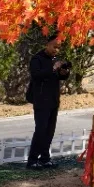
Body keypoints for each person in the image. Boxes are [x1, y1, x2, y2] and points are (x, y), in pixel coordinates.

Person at [26, 33, 71, 168]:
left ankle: (45, 158)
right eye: (54, 47)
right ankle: (32, 160)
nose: (56, 50)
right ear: (47, 44)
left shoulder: (56, 59)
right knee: (41, 130)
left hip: (53, 100)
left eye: (58, 48)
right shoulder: (37, 59)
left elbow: (58, 76)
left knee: (50, 131)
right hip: (41, 100)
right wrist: (53, 68)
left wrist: (64, 73)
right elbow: (36, 75)